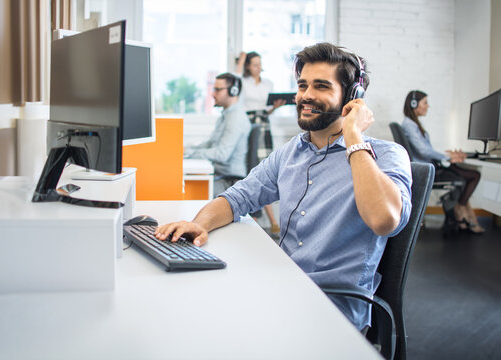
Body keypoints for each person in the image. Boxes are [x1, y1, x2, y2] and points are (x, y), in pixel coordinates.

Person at [156, 43, 413, 331]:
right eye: (303, 85)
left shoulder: (388, 156)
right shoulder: (291, 152)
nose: (306, 95)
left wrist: (353, 135)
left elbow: (384, 220)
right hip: (283, 287)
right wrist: (200, 224)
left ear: (353, 97)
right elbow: (237, 198)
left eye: (321, 86)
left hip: (332, 311)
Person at [401, 90, 484, 233]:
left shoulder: (413, 124)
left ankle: (460, 210)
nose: (428, 106)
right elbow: (424, 151)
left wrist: (447, 156)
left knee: (468, 175)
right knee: (473, 175)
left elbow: (426, 150)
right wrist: (447, 158)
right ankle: (460, 209)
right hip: (430, 170)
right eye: (425, 102)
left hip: (431, 167)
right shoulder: (409, 125)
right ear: (414, 104)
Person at [235, 51, 285, 235]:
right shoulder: (244, 82)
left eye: (259, 64)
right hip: (249, 125)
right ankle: (267, 220)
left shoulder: (268, 83)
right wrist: (240, 60)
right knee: (253, 168)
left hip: (264, 124)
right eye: (254, 64)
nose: (258, 67)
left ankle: (270, 220)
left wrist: (275, 107)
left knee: (266, 169)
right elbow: (236, 79)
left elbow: (266, 111)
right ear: (248, 66)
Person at [184, 73, 251, 197]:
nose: (213, 94)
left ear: (233, 91)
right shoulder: (226, 115)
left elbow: (222, 154)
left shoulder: (236, 117)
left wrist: (190, 153)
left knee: (190, 191)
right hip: (219, 176)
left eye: (217, 90)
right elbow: (210, 143)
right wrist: (187, 150)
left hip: (229, 181)